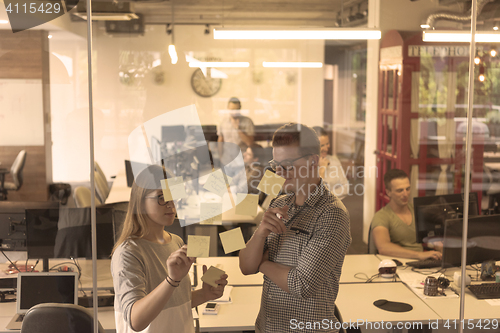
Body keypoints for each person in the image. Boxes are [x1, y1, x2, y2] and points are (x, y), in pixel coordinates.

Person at [239, 123, 351, 333]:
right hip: (267, 327)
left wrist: (262, 264)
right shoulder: (278, 204)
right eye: (276, 164)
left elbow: (302, 285)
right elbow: (246, 267)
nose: (280, 172)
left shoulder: (331, 214)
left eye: (288, 164)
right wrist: (262, 231)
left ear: (313, 161)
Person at [111, 165, 228, 333]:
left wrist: (204, 294)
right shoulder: (128, 252)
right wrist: (171, 280)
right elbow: (135, 320)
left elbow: (173, 303)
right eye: (162, 197)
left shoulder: (176, 242)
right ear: (141, 202)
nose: (171, 204)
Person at [370, 169, 442, 260]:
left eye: (407, 189)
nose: (405, 194)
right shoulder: (381, 216)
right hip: (397, 263)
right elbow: (383, 247)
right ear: (388, 192)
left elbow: (433, 236)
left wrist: (440, 245)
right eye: (400, 190)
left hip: (421, 263)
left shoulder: (418, 211)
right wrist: (419, 255)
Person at [313, 126, 349, 199]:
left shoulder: (334, 161)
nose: (326, 148)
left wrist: (327, 196)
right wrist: (321, 170)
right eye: (322, 145)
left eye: (327, 143)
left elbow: (345, 188)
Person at [217, 97, 255, 167]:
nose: (234, 112)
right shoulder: (223, 122)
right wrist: (220, 157)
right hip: (227, 159)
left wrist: (237, 129)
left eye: (236, 109)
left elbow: (249, 142)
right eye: (232, 109)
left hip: (242, 159)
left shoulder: (247, 121)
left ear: (240, 108)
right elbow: (220, 140)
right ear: (228, 108)